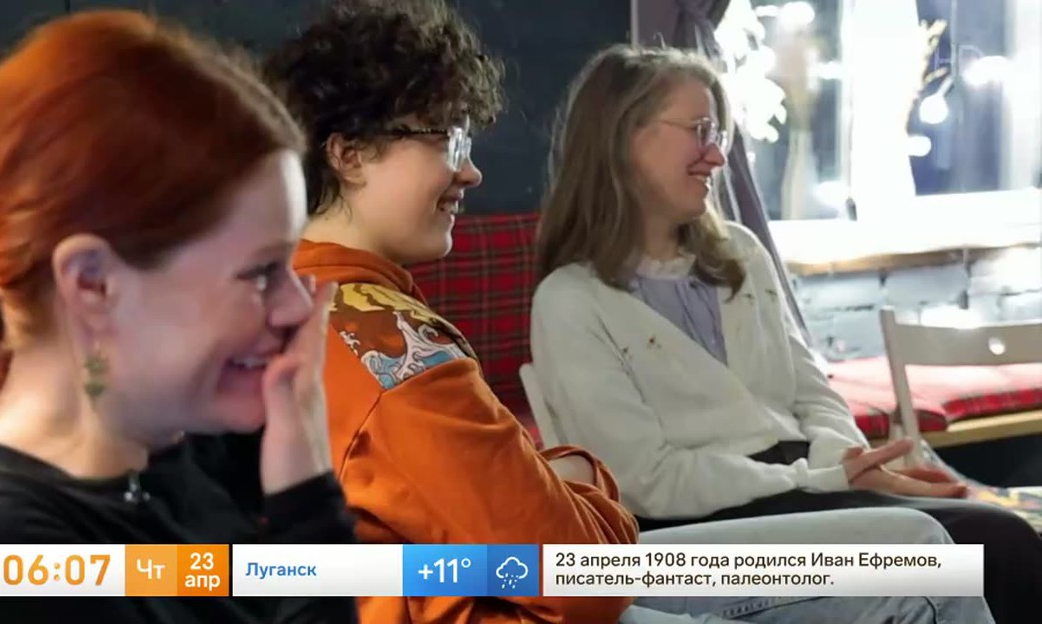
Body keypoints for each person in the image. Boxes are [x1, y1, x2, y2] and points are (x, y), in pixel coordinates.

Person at [266, 3, 992, 623]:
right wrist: (578, 475)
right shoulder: (386, 342)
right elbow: (578, 570)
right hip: (543, 595)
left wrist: (555, 485)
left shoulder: (296, 306)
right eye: (446, 140)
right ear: (349, 155)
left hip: (518, 583)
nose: (471, 170)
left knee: (923, 547)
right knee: (932, 568)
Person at [530, 43, 1042, 624]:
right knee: (984, 549)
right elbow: (646, 483)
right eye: (700, 131)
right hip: (704, 530)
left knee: (1001, 538)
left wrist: (842, 460)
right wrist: (818, 478)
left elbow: (813, 394)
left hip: (810, 487)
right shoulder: (571, 301)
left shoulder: (741, 254)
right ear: (623, 137)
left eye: (718, 134)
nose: (716, 156)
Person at [0, 10, 356, 624]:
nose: (296, 305)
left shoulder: (189, 463)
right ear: (93, 283)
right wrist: (307, 505)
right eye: (260, 272)